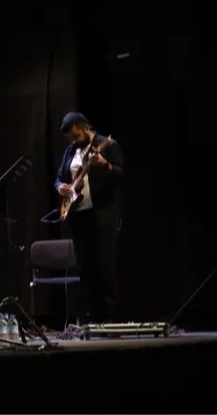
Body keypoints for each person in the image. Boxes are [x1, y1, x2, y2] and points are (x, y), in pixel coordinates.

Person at [54, 112, 126, 323]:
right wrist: (61, 187)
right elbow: (59, 178)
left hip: (103, 216)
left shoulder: (109, 145)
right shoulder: (70, 151)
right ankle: (91, 321)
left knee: (104, 268)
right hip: (79, 217)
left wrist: (105, 165)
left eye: (76, 136)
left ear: (86, 128)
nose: (73, 142)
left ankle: (111, 320)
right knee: (85, 270)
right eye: (70, 138)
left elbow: (121, 175)